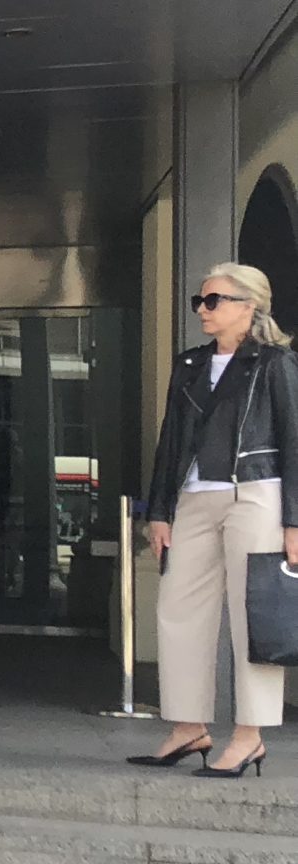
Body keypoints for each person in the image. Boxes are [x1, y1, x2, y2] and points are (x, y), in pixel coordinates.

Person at [135, 262, 298, 779]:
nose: (203, 310)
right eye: (200, 301)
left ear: (249, 306)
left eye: (213, 300)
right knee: (178, 608)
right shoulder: (190, 363)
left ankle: (249, 736)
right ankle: (189, 727)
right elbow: (170, 440)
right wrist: (159, 510)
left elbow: (295, 440)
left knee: (253, 614)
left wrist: (295, 521)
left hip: (254, 492)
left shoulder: (275, 363)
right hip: (193, 496)